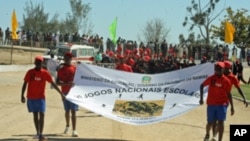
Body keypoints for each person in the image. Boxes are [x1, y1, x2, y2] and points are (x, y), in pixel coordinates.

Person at [21, 56, 64, 140]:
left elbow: (53, 83)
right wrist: (22, 95)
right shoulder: (30, 72)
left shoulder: (45, 73)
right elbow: (25, 83)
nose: (38, 64)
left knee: (42, 114)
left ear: (42, 63)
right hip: (31, 97)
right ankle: (37, 133)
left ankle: (41, 134)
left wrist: (60, 93)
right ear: (34, 63)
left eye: (40, 62)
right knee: (35, 114)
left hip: (41, 98)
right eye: (37, 62)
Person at [200, 62, 234, 141]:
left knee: (221, 122)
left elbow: (229, 94)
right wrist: (201, 98)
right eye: (216, 69)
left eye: (219, 69)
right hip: (211, 104)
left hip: (222, 104)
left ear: (223, 69)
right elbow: (202, 85)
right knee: (210, 123)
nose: (217, 70)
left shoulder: (226, 81)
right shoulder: (211, 78)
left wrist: (232, 106)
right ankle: (207, 134)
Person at [56, 52, 79, 137]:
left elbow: (79, 81)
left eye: (69, 58)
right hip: (65, 92)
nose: (67, 59)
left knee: (73, 111)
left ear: (71, 59)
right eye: (66, 58)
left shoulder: (75, 69)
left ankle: (74, 130)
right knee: (67, 111)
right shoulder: (61, 70)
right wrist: (66, 84)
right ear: (64, 59)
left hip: (74, 93)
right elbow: (57, 82)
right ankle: (67, 125)